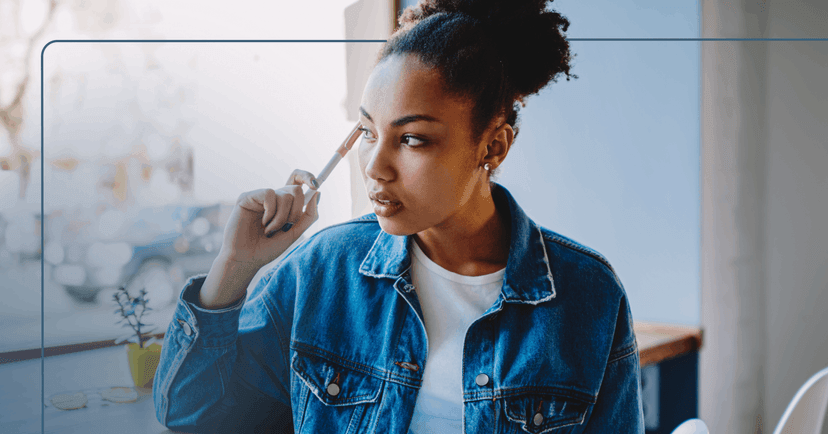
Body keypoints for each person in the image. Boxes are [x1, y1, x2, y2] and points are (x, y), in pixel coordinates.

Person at [153, 0, 645, 432]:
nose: (375, 166)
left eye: (412, 139)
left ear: (493, 146)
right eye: (368, 132)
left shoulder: (588, 296)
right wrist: (234, 267)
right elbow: (190, 414)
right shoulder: (323, 269)